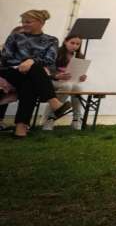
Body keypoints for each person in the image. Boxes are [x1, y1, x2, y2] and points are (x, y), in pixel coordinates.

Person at [0, 10, 72, 138]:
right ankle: (54, 103)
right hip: (10, 71)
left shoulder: (51, 40)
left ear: (41, 22)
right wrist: (25, 63)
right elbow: (6, 58)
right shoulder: (15, 37)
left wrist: (31, 61)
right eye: (22, 22)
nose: (24, 24)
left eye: (28, 22)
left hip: (33, 74)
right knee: (35, 71)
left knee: (30, 82)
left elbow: (50, 60)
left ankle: (20, 129)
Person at [41, 35, 87, 131]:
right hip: (52, 81)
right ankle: (50, 118)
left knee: (78, 88)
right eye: (72, 43)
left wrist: (81, 77)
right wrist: (57, 75)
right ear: (65, 42)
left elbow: (77, 74)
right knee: (67, 85)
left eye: (78, 44)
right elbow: (47, 70)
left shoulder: (80, 56)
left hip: (69, 82)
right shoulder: (56, 52)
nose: (75, 46)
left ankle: (76, 119)